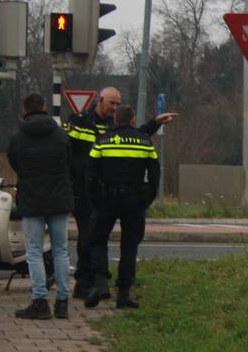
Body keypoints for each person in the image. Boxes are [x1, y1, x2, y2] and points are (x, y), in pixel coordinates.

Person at [67, 87, 176, 299]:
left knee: (96, 237)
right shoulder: (80, 121)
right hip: (85, 190)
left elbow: (131, 136)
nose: (114, 107)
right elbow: (67, 151)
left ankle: (98, 284)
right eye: (112, 103)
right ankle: (85, 281)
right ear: (100, 101)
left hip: (105, 193)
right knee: (88, 237)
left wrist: (155, 123)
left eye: (118, 104)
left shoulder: (113, 124)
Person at [84, 105, 160, 309]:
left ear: (115, 120)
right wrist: (147, 198)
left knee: (98, 240)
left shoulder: (103, 140)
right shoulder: (145, 142)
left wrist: (95, 200)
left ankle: (101, 282)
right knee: (129, 246)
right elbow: (154, 175)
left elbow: (90, 174)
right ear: (133, 120)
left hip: (107, 198)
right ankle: (124, 294)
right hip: (134, 200)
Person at [6, 93, 73, 320]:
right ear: (44, 108)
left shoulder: (18, 137)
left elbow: (14, 163)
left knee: (33, 251)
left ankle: (40, 302)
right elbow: (69, 160)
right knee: (60, 250)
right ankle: (63, 303)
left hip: (32, 199)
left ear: (24, 110)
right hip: (59, 199)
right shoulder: (61, 135)